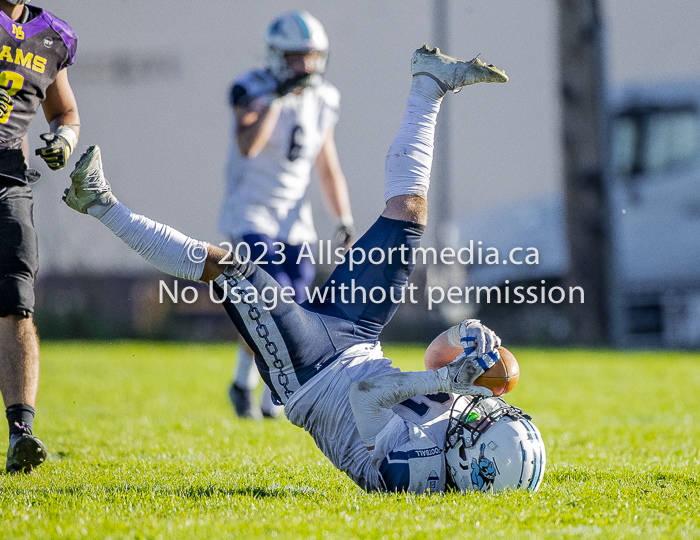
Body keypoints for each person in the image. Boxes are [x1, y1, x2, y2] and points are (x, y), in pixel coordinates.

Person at [62, 46, 546, 493]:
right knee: (409, 216)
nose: (483, 414)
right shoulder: (462, 437)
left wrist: (445, 383)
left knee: (231, 268)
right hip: (357, 335)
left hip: (310, 372)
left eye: (486, 427)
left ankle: (99, 202)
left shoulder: (413, 475)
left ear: (469, 461)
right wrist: (464, 337)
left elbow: (367, 394)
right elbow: (433, 361)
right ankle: (429, 85)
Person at [219, 11, 355, 420]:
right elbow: (249, 145)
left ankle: (252, 387)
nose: (306, 66)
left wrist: (343, 217)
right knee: (269, 302)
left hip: (295, 219)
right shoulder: (251, 88)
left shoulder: (324, 98)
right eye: (298, 58)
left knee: (293, 308)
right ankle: (254, 384)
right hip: (252, 212)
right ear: (278, 57)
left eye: (312, 57)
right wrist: (276, 100)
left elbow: (327, 164)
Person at [0, 0, 79, 474]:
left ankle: (21, 435)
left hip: (9, 181)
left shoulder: (52, 37)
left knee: (16, 302)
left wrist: (64, 140)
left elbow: (64, 110)